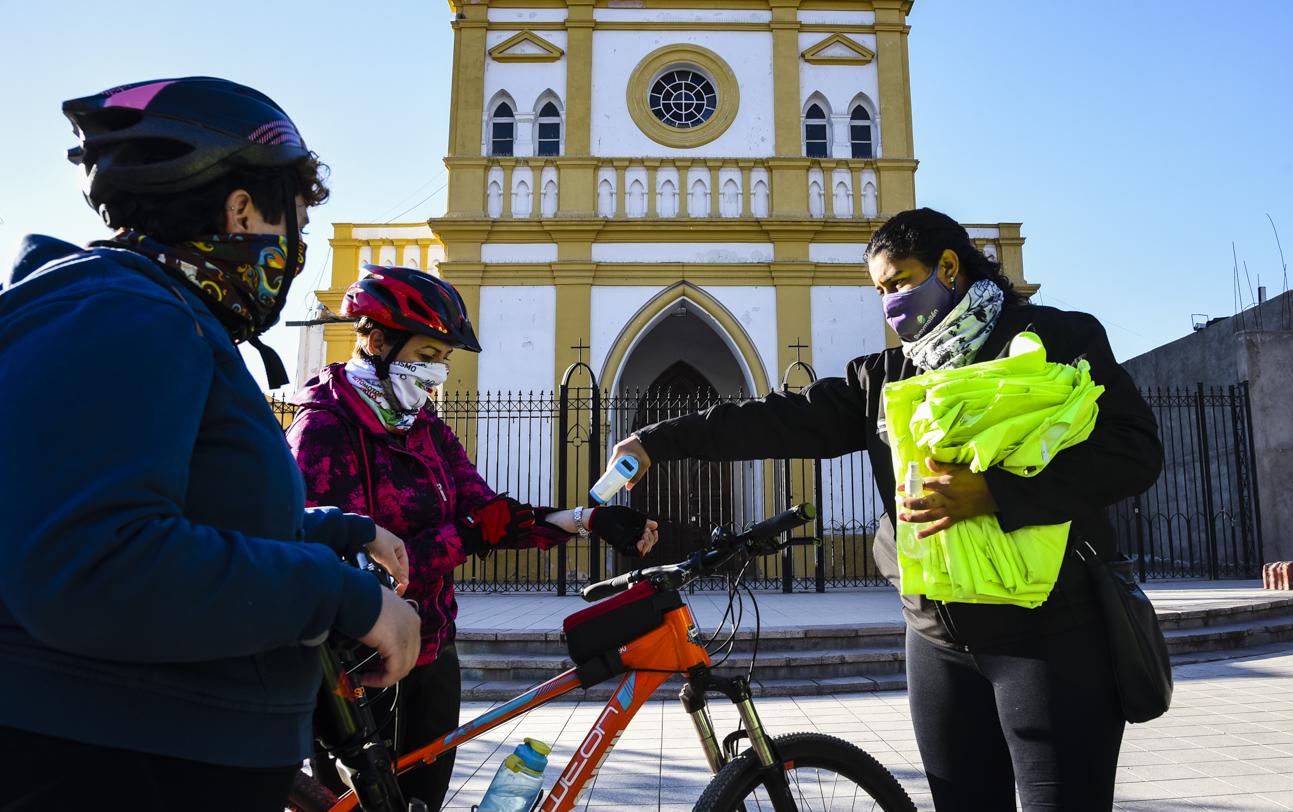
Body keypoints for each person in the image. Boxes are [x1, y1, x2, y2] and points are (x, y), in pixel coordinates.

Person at [607, 208, 1162, 811]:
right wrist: (658, 441)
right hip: (938, 641)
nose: (890, 303)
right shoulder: (887, 376)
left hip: (1053, 635)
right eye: (880, 291)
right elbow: (779, 420)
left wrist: (993, 493)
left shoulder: (1055, 339)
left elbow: (1134, 452)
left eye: (899, 283)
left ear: (949, 267)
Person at [0, 77, 421, 812]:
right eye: (293, 221)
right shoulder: (124, 314)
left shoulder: (158, 317)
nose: (294, 249)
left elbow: (176, 515)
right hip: (109, 765)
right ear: (241, 209)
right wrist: (340, 598)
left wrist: (332, 531)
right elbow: (97, 564)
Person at [285, 265, 659, 808]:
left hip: (435, 651)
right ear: (381, 341)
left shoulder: (427, 429)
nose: (438, 373)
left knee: (425, 801)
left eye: (444, 360)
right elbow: (357, 558)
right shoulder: (322, 428)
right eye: (428, 355)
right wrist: (466, 535)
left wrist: (586, 520)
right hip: (361, 671)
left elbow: (486, 512)